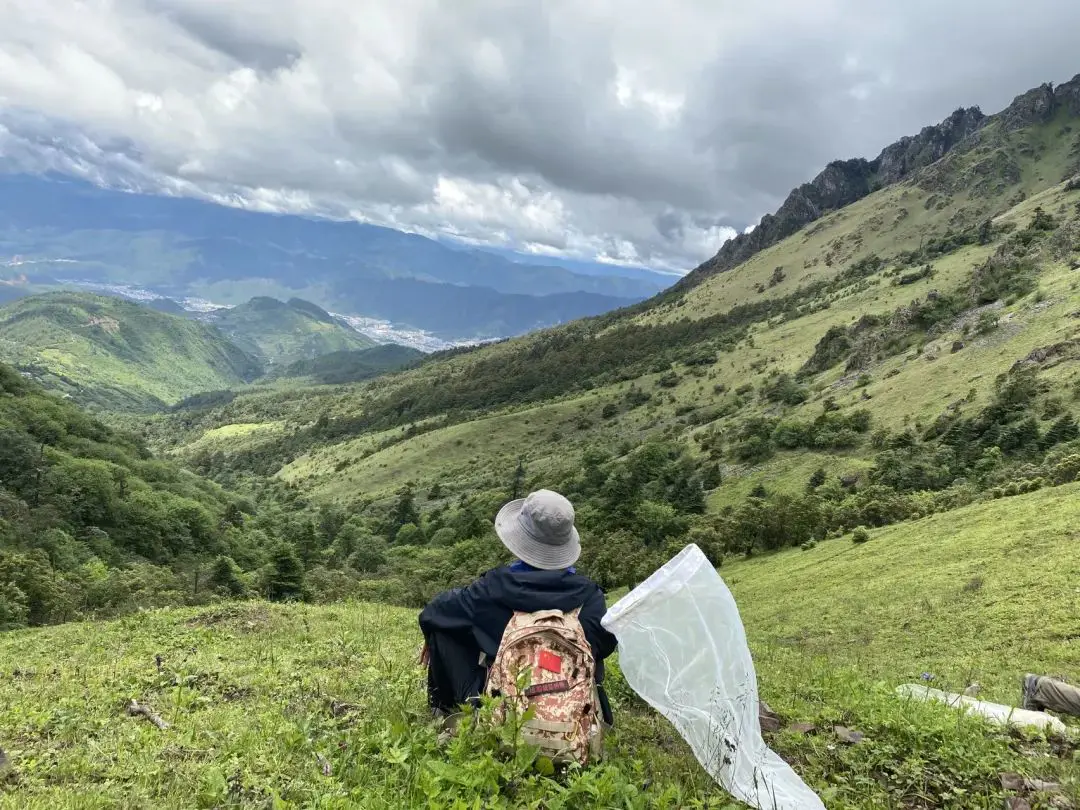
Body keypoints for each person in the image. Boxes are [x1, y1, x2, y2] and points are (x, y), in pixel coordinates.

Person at [418, 489, 617, 725]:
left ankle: (446, 710)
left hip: (504, 708)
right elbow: (604, 646)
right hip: (572, 716)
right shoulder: (591, 598)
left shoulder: (491, 590)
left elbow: (434, 612)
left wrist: (434, 634)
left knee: (443, 629)